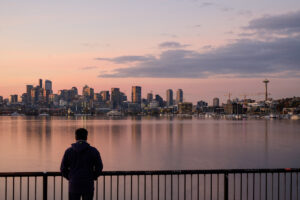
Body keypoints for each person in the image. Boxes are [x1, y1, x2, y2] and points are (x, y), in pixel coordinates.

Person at [60, 128, 103, 200]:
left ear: (75, 137)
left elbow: (63, 168)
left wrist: (70, 177)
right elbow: (99, 167)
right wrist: (93, 176)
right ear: (86, 137)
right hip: (88, 184)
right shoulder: (93, 151)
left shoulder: (69, 151)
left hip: (74, 184)